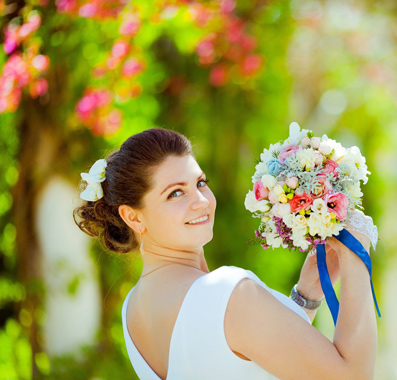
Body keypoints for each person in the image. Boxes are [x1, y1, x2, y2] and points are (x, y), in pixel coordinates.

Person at [73, 128, 378, 380]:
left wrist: (307, 295)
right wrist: (357, 257)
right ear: (133, 217)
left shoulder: (133, 311)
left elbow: (233, 356)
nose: (201, 201)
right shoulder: (227, 293)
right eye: (175, 193)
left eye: (200, 183)